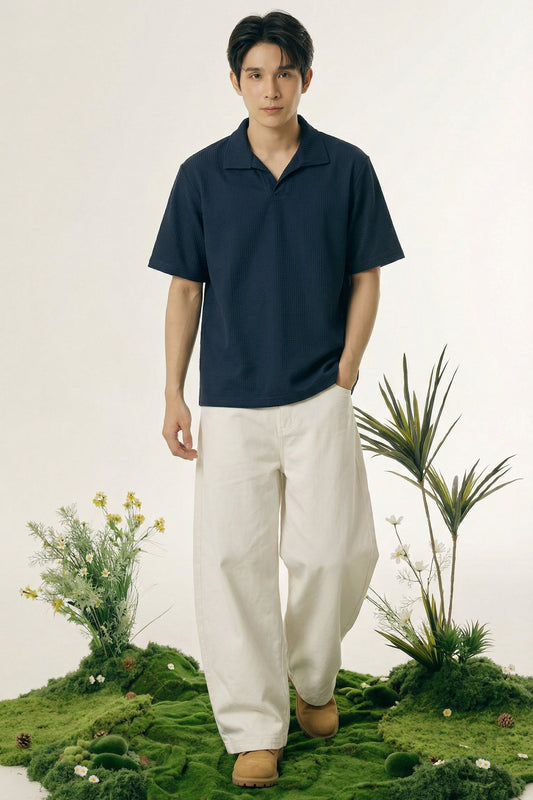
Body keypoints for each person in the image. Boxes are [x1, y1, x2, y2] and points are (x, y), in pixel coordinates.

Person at [148, 10, 404, 789]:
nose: (270, 89)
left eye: (283, 73)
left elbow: (365, 275)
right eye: (255, 75)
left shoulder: (346, 167)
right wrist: (173, 392)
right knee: (233, 564)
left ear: (305, 79)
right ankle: (255, 729)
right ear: (235, 82)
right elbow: (184, 290)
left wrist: (347, 369)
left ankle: (311, 677)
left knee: (335, 553)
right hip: (229, 400)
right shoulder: (201, 175)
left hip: (319, 391)